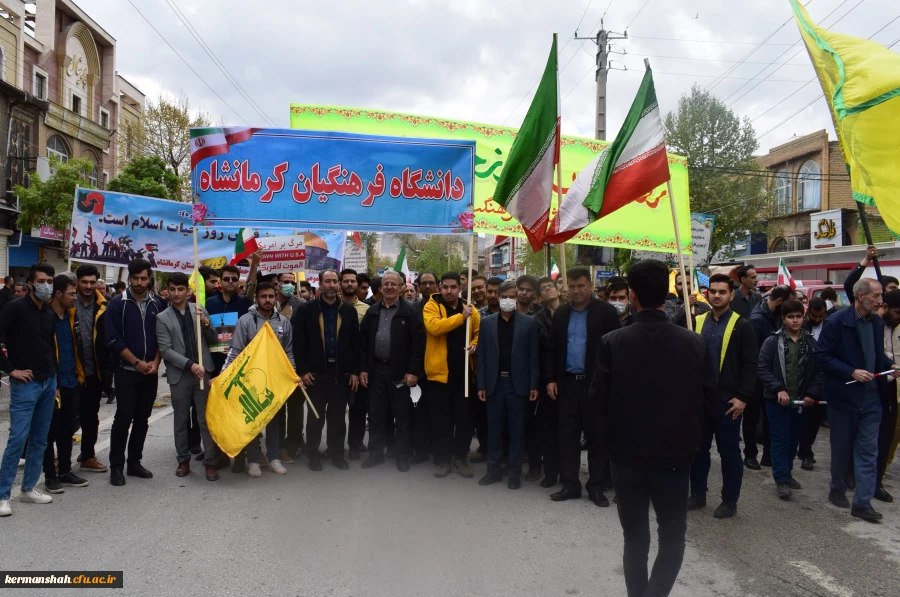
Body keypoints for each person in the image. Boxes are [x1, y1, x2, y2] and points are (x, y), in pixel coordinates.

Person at [592, 259, 717, 597]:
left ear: (631, 295)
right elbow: (709, 401)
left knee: (635, 537)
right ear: (668, 294)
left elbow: (597, 404)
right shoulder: (694, 343)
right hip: (675, 457)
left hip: (626, 457)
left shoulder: (612, 342)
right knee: (672, 536)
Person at [816, 278, 898, 521]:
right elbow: (821, 356)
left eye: (880, 295)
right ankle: (837, 488)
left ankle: (862, 502)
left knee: (868, 450)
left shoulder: (876, 323)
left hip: (872, 398)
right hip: (844, 396)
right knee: (841, 447)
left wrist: (889, 366)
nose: (880, 300)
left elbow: (876, 357)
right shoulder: (836, 322)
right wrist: (850, 371)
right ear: (861, 296)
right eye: (875, 295)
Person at [546, 267, 619, 506]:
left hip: (595, 386)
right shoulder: (561, 314)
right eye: (572, 286)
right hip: (567, 385)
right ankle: (570, 485)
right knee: (567, 438)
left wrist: (607, 384)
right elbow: (553, 350)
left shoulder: (606, 312)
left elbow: (613, 352)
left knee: (597, 438)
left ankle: (596, 487)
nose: (576, 290)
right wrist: (551, 378)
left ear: (590, 286)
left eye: (581, 286)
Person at [688, 274, 758, 519]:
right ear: (706, 294)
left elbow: (751, 365)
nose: (716, 295)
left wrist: (743, 398)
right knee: (698, 451)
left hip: (728, 402)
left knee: (729, 453)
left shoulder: (742, 325)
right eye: (713, 291)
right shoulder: (696, 322)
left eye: (722, 292)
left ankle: (729, 501)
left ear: (731, 295)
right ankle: (697, 494)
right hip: (700, 400)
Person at [0, 263, 57, 517]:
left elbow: (48, 347)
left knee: (40, 440)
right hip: (25, 385)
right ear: (31, 284)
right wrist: (11, 370)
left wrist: (54, 381)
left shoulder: (48, 312)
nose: (47, 286)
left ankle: (29, 488)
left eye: (50, 281)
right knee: (17, 440)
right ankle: (2, 495)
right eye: (42, 281)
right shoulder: (14, 308)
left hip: (48, 383)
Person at [223, 282, 296, 478]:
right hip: (251, 380)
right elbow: (236, 350)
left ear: (275, 297)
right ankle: (253, 460)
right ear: (257, 299)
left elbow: (288, 351)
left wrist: (293, 373)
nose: (267, 300)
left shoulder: (284, 322)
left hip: (275, 379)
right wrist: (224, 375)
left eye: (271, 296)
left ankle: (273, 458)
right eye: (263, 296)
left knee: (273, 421)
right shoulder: (245, 321)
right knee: (252, 421)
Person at [293, 270, 361, 471]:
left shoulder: (349, 310)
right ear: (320, 284)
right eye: (327, 281)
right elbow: (299, 343)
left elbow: (356, 344)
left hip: (341, 375)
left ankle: (336, 453)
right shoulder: (307, 310)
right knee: (315, 417)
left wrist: (356, 371)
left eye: (334, 281)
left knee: (338, 417)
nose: (331, 285)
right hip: (315, 375)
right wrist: (303, 371)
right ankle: (313, 454)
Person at [105, 259, 164, 487]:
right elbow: (113, 339)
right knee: (123, 418)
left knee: (142, 419)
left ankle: (135, 462)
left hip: (150, 372)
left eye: (144, 278)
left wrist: (156, 362)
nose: (140, 283)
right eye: (136, 278)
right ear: (129, 278)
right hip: (127, 371)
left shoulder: (157, 304)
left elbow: (162, 337)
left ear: (149, 279)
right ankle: (116, 467)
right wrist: (137, 362)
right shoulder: (117, 304)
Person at [757, 299, 823, 500]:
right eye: (790, 317)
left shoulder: (811, 343)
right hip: (776, 402)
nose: (795, 321)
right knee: (780, 439)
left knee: (794, 439)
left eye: (798, 316)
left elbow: (819, 371)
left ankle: (787, 472)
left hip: (801, 402)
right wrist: (778, 389)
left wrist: (811, 393)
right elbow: (763, 368)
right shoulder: (772, 341)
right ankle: (782, 479)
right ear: (783, 319)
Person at [156, 273, 219, 481]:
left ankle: (210, 462)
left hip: (204, 371)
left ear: (188, 291)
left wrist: (206, 323)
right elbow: (166, 350)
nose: (176, 293)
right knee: (181, 420)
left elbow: (213, 339)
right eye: (172, 289)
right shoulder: (162, 317)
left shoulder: (198, 310)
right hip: (180, 374)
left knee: (205, 420)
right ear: (168, 291)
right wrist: (190, 365)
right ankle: (183, 460)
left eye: (180, 289)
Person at [359, 271, 424, 472]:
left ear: (401, 287)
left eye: (393, 284)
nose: (389, 287)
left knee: (402, 415)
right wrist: (363, 369)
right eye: (385, 284)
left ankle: (401, 455)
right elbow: (363, 343)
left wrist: (413, 371)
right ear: (380, 288)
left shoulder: (410, 312)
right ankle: (375, 454)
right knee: (376, 414)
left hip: (401, 374)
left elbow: (418, 345)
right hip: (377, 370)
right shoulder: (372, 312)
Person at [477, 280, 538, 489]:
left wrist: (533, 385)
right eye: (505, 297)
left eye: (512, 296)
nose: (509, 300)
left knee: (516, 431)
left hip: (518, 384)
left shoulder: (529, 323)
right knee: (494, 429)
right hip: (494, 384)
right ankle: (492, 471)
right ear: (498, 298)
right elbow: (482, 357)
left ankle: (514, 473)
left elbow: (533, 357)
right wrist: (481, 385)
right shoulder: (486, 323)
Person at [423, 272, 479, 478]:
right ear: (440, 287)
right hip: (439, 376)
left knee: (464, 420)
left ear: (460, 288)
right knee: (441, 421)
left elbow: (477, 332)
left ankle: (461, 458)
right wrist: (461, 317)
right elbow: (434, 327)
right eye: (445, 287)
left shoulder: (470, 308)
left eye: (453, 287)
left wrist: (474, 345)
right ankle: (443, 460)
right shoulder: (431, 306)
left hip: (464, 375)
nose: (448, 291)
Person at [42, 274, 90, 494]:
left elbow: (76, 347)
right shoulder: (44, 317)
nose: (75, 297)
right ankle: (50, 476)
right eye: (72, 293)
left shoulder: (73, 316)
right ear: (58, 294)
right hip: (52, 384)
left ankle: (65, 471)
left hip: (72, 380)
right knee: (49, 431)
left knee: (67, 429)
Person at [744, 284, 793, 470]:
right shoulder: (757, 320)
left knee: (769, 418)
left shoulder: (775, 316)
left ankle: (767, 455)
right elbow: (751, 354)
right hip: (756, 377)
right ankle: (750, 455)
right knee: (752, 417)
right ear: (780, 301)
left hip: (772, 376)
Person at [73, 265, 111, 474]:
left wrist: (108, 369)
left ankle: (87, 456)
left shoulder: (104, 305)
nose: (88, 286)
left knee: (91, 416)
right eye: (84, 282)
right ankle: (59, 459)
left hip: (95, 372)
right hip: (70, 372)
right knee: (65, 419)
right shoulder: (67, 302)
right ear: (77, 282)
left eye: (92, 282)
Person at [533, 277, 561, 487]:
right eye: (543, 289)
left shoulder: (574, 311)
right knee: (549, 428)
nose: (548, 290)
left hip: (571, 377)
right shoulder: (538, 319)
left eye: (550, 286)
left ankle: (568, 472)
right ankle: (550, 472)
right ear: (540, 297)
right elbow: (547, 342)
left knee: (569, 429)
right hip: (547, 379)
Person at [797, 298, 829, 471]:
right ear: (808, 313)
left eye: (821, 316)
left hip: (824, 377)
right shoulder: (802, 327)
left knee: (815, 420)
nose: (817, 320)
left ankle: (806, 449)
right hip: (806, 378)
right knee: (805, 421)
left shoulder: (830, 326)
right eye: (814, 316)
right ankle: (805, 452)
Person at [878, 290, 900, 502]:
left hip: (896, 391)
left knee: (889, 435)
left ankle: (878, 479)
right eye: (896, 312)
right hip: (876, 388)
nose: (898, 316)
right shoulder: (874, 326)